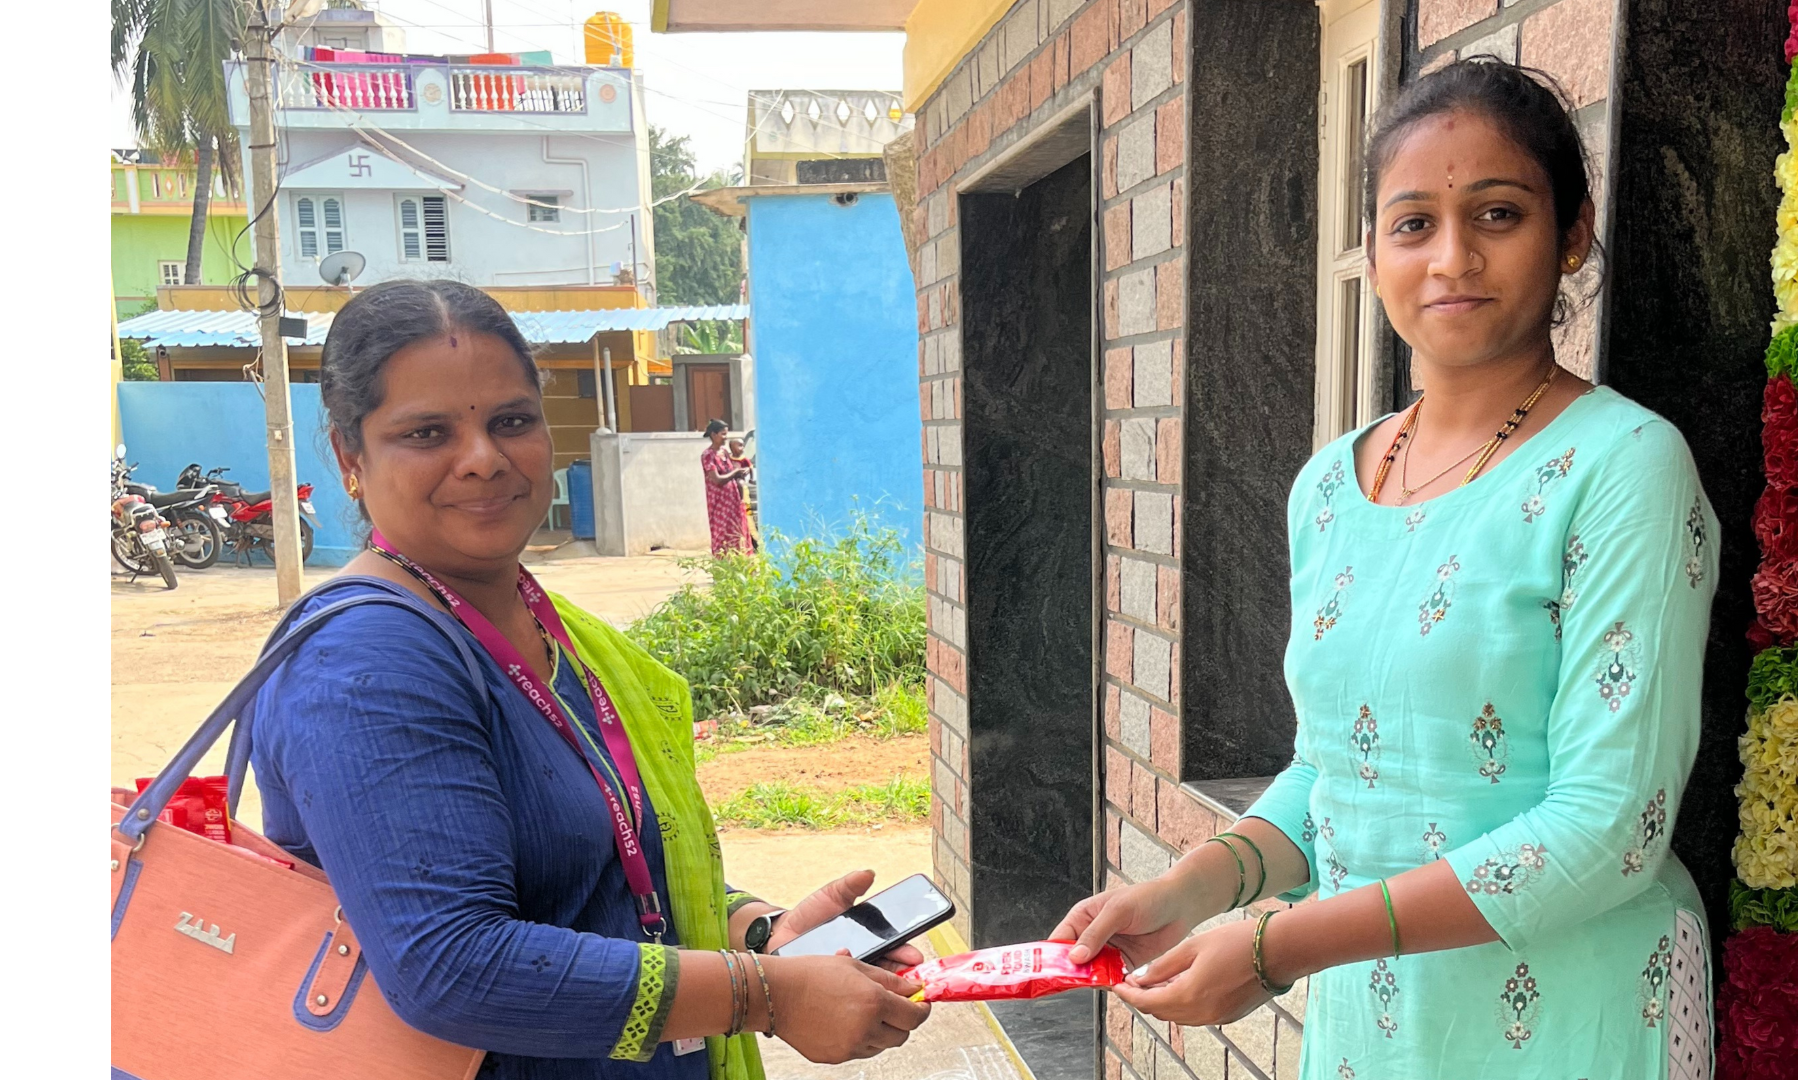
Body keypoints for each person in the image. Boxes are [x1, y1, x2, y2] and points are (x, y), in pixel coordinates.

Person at [1054, 58, 1719, 1079]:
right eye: (1413, 223)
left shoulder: (1624, 465)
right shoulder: (1331, 485)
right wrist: (1188, 892)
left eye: (1497, 214)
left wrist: (1279, 948)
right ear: (1370, 250)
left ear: (1573, 232)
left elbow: (1610, 828)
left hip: (1571, 1018)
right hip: (1378, 1023)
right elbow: (1334, 776)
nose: (1452, 256)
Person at [248, 280, 930, 1079]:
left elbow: (598, 874)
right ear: (349, 457)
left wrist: (752, 931)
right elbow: (450, 965)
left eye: (511, 421)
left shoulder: (545, 627)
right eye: (427, 432)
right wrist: (761, 993)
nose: (483, 460)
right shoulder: (364, 660)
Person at [700, 420, 754, 555]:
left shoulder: (724, 452)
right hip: (720, 504)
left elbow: (731, 472)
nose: (726, 438)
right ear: (714, 434)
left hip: (733, 501)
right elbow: (717, 479)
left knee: (738, 533)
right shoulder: (708, 455)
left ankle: (741, 567)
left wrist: (742, 471)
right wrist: (736, 472)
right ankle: (723, 569)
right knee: (722, 536)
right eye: (723, 434)